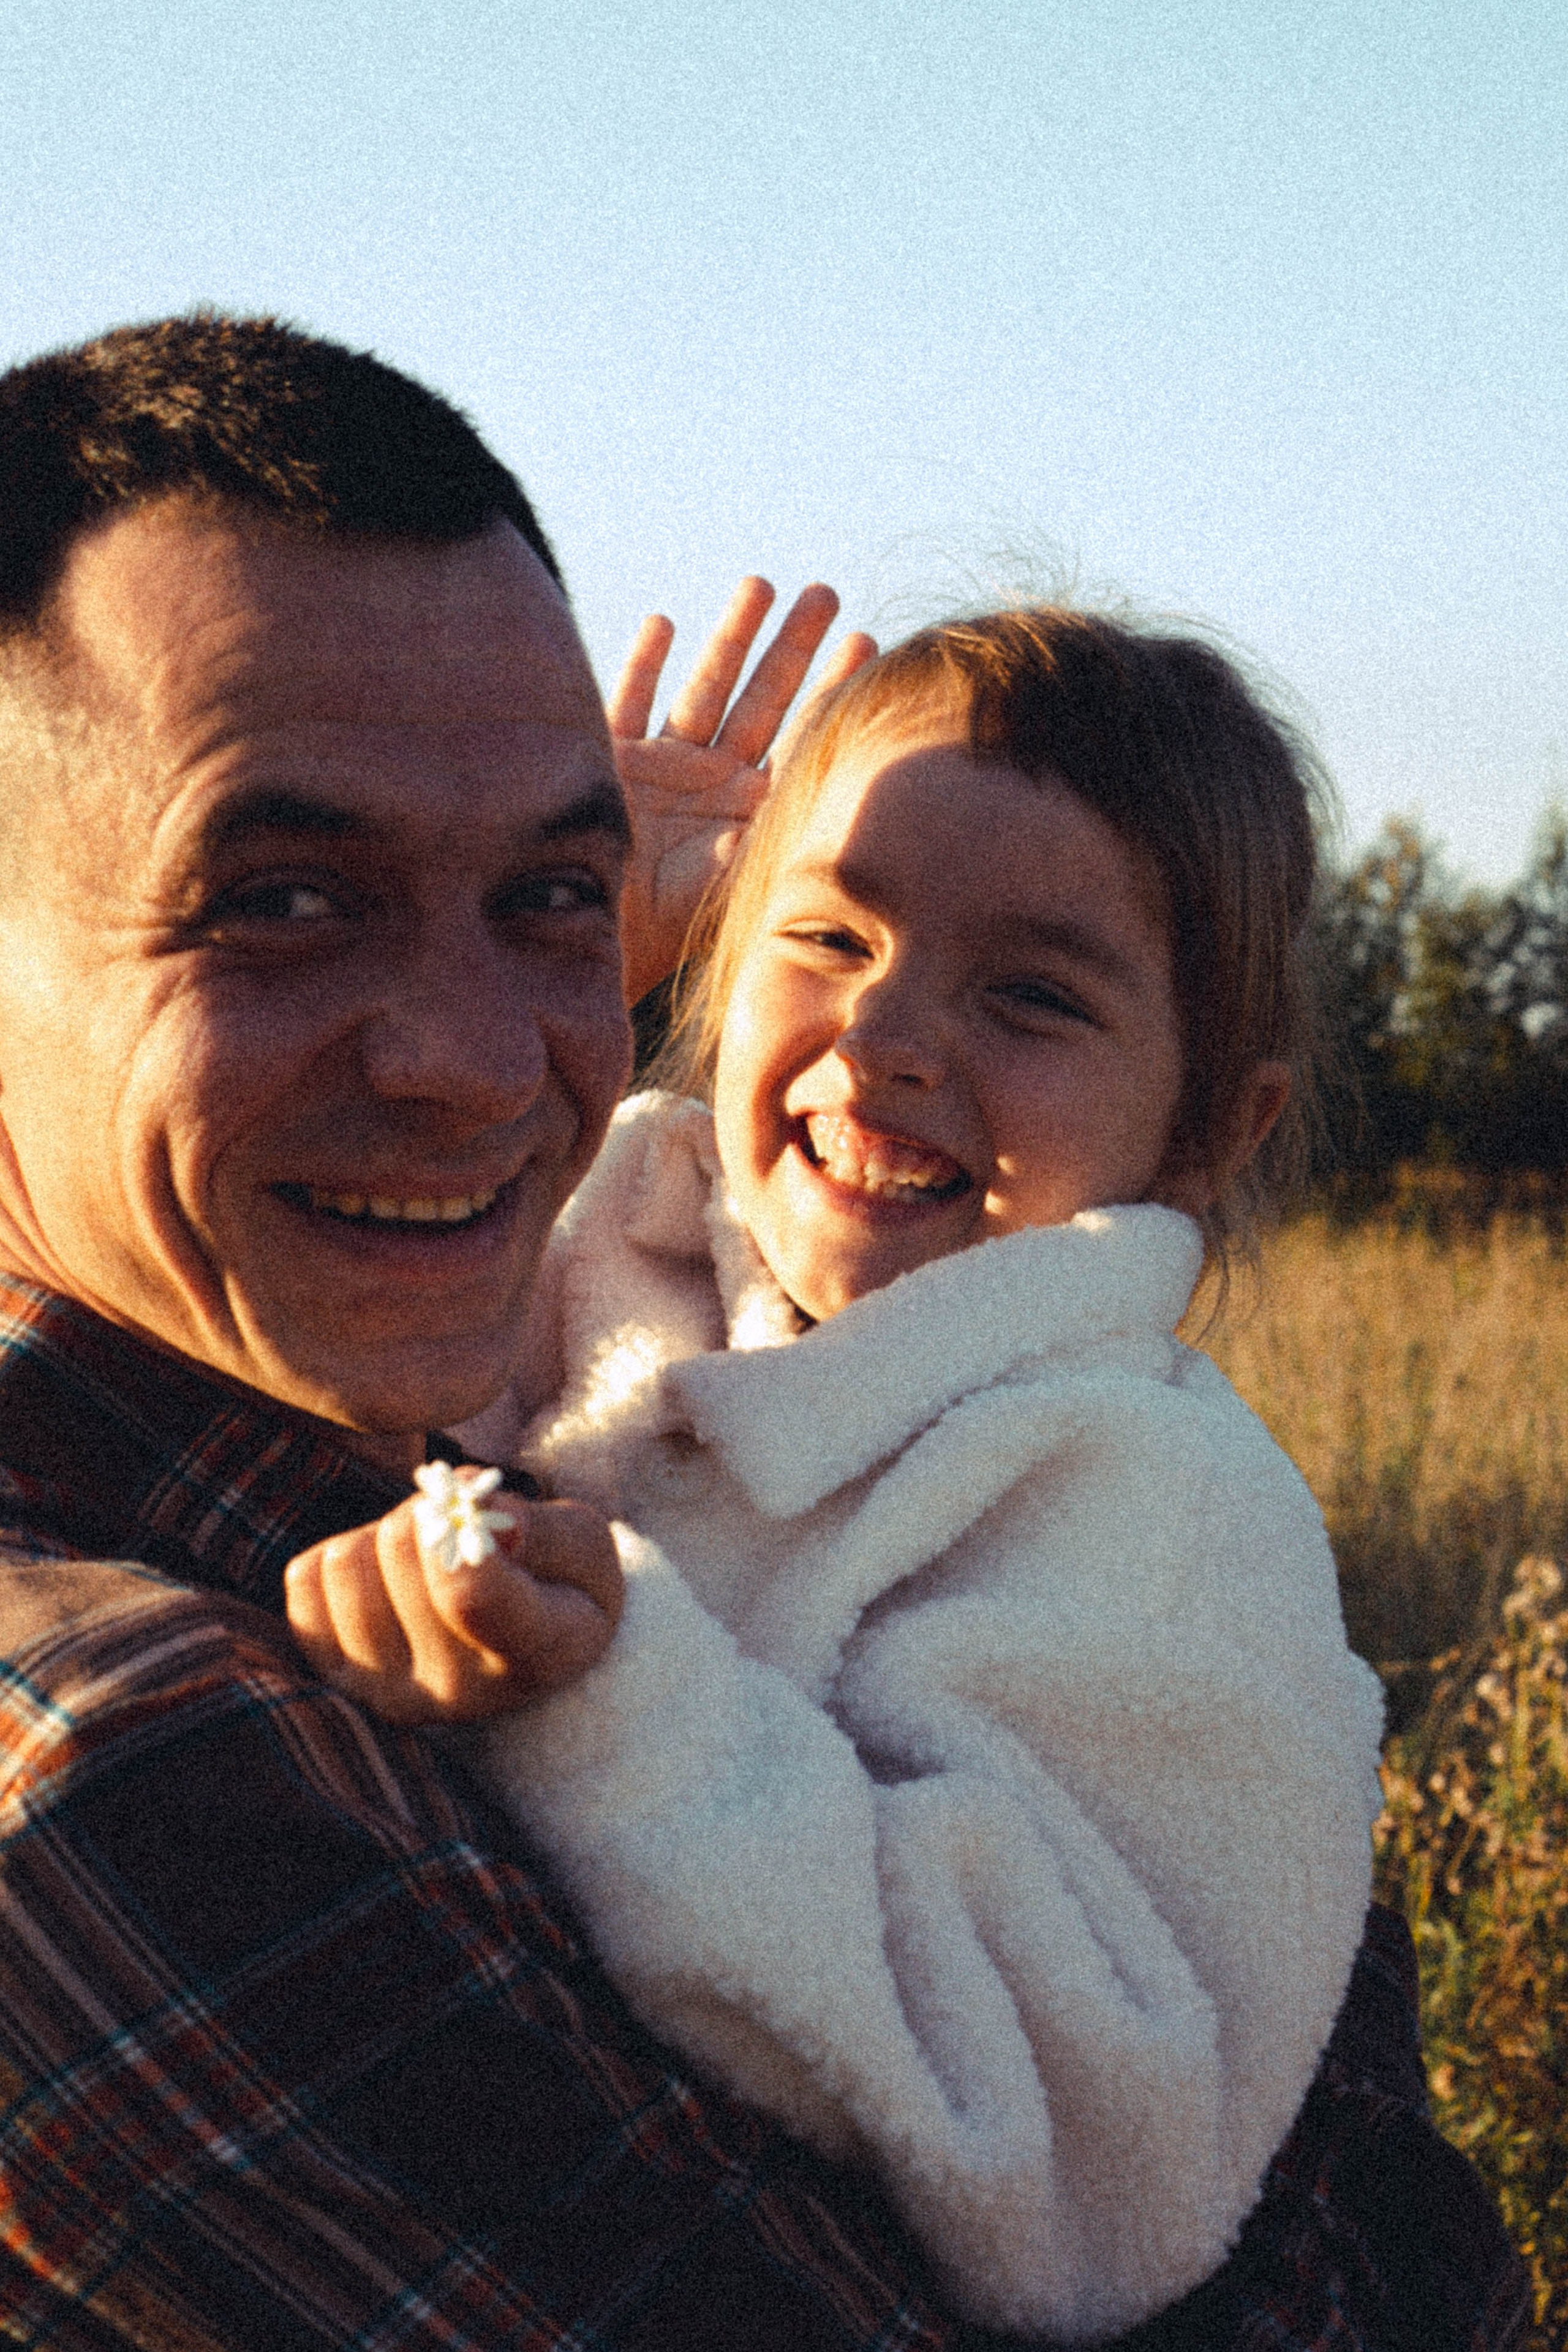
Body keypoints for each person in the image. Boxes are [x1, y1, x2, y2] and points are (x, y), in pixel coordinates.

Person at [0, 313, 1528, 2351]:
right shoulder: (113, 1766)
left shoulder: (1100, 1489)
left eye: (554, 890)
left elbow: (1112, 2122)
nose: (473, 1063)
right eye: (283, 897)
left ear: (1212, 1124)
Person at [284, 609, 1389, 2342]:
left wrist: (610, 1703)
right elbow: (278, 1309)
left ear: (1206, 1130)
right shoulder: (615, 1252)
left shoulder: (1145, 1502)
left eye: (1032, 994)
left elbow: (1099, 2164)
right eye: (825, 934)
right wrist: (566, 964)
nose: (885, 1036)